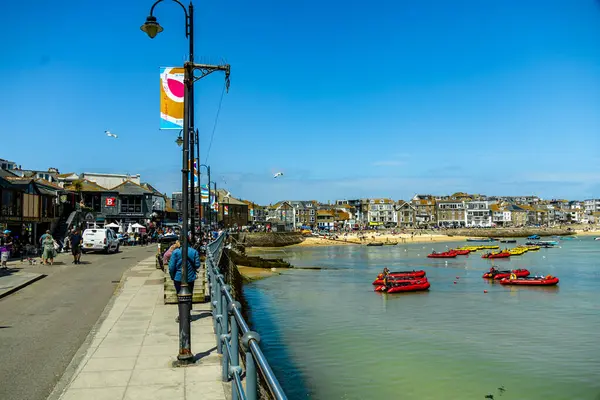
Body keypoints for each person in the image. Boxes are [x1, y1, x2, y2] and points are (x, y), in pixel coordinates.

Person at [168, 243, 201, 323]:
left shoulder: (176, 252)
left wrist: (173, 276)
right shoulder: (194, 251)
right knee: (189, 296)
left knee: (180, 297)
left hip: (178, 278)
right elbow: (197, 265)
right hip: (190, 278)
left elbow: (171, 267)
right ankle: (188, 315)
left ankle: (181, 315)